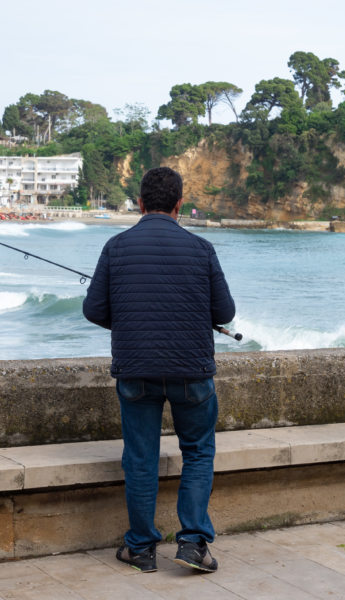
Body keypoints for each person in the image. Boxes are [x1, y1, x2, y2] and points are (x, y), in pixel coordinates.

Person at [83, 167, 235, 573]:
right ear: (180, 204)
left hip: (135, 370)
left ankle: (141, 548)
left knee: (140, 458)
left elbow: (93, 310)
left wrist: (134, 322)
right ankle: (192, 545)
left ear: (140, 203)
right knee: (199, 452)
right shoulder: (201, 248)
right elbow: (225, 312)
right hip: (192, 371)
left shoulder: (117, 246)